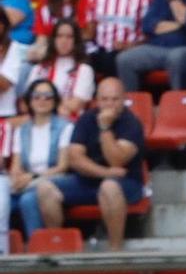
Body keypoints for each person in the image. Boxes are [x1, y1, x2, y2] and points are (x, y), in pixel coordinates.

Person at [33, 78, 144, 249]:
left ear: (124, 99)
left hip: (127, 183)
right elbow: (75, 158)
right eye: (105, 99)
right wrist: (105, 172)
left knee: (109, 187)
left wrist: (105, 128)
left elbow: (117, 159)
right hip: (89, 181)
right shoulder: (86, 118)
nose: (109, 104)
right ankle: (58, 246)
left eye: (115, 99)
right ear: (97, 100)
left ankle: (116, 249)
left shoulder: (131, 123)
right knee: (45, 188)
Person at [5, 80, 70, 243]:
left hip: (50, 180)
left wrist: (33, 177)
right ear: (29, 100)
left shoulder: (65, 127)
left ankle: (38, 250)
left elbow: (63, 166)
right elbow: (16, 166)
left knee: (28, 200)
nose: (42, 100)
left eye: (48, 96)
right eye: (37, 96)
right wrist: (17, 178)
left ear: (55, 100)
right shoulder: (22, 130)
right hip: (26, 182)